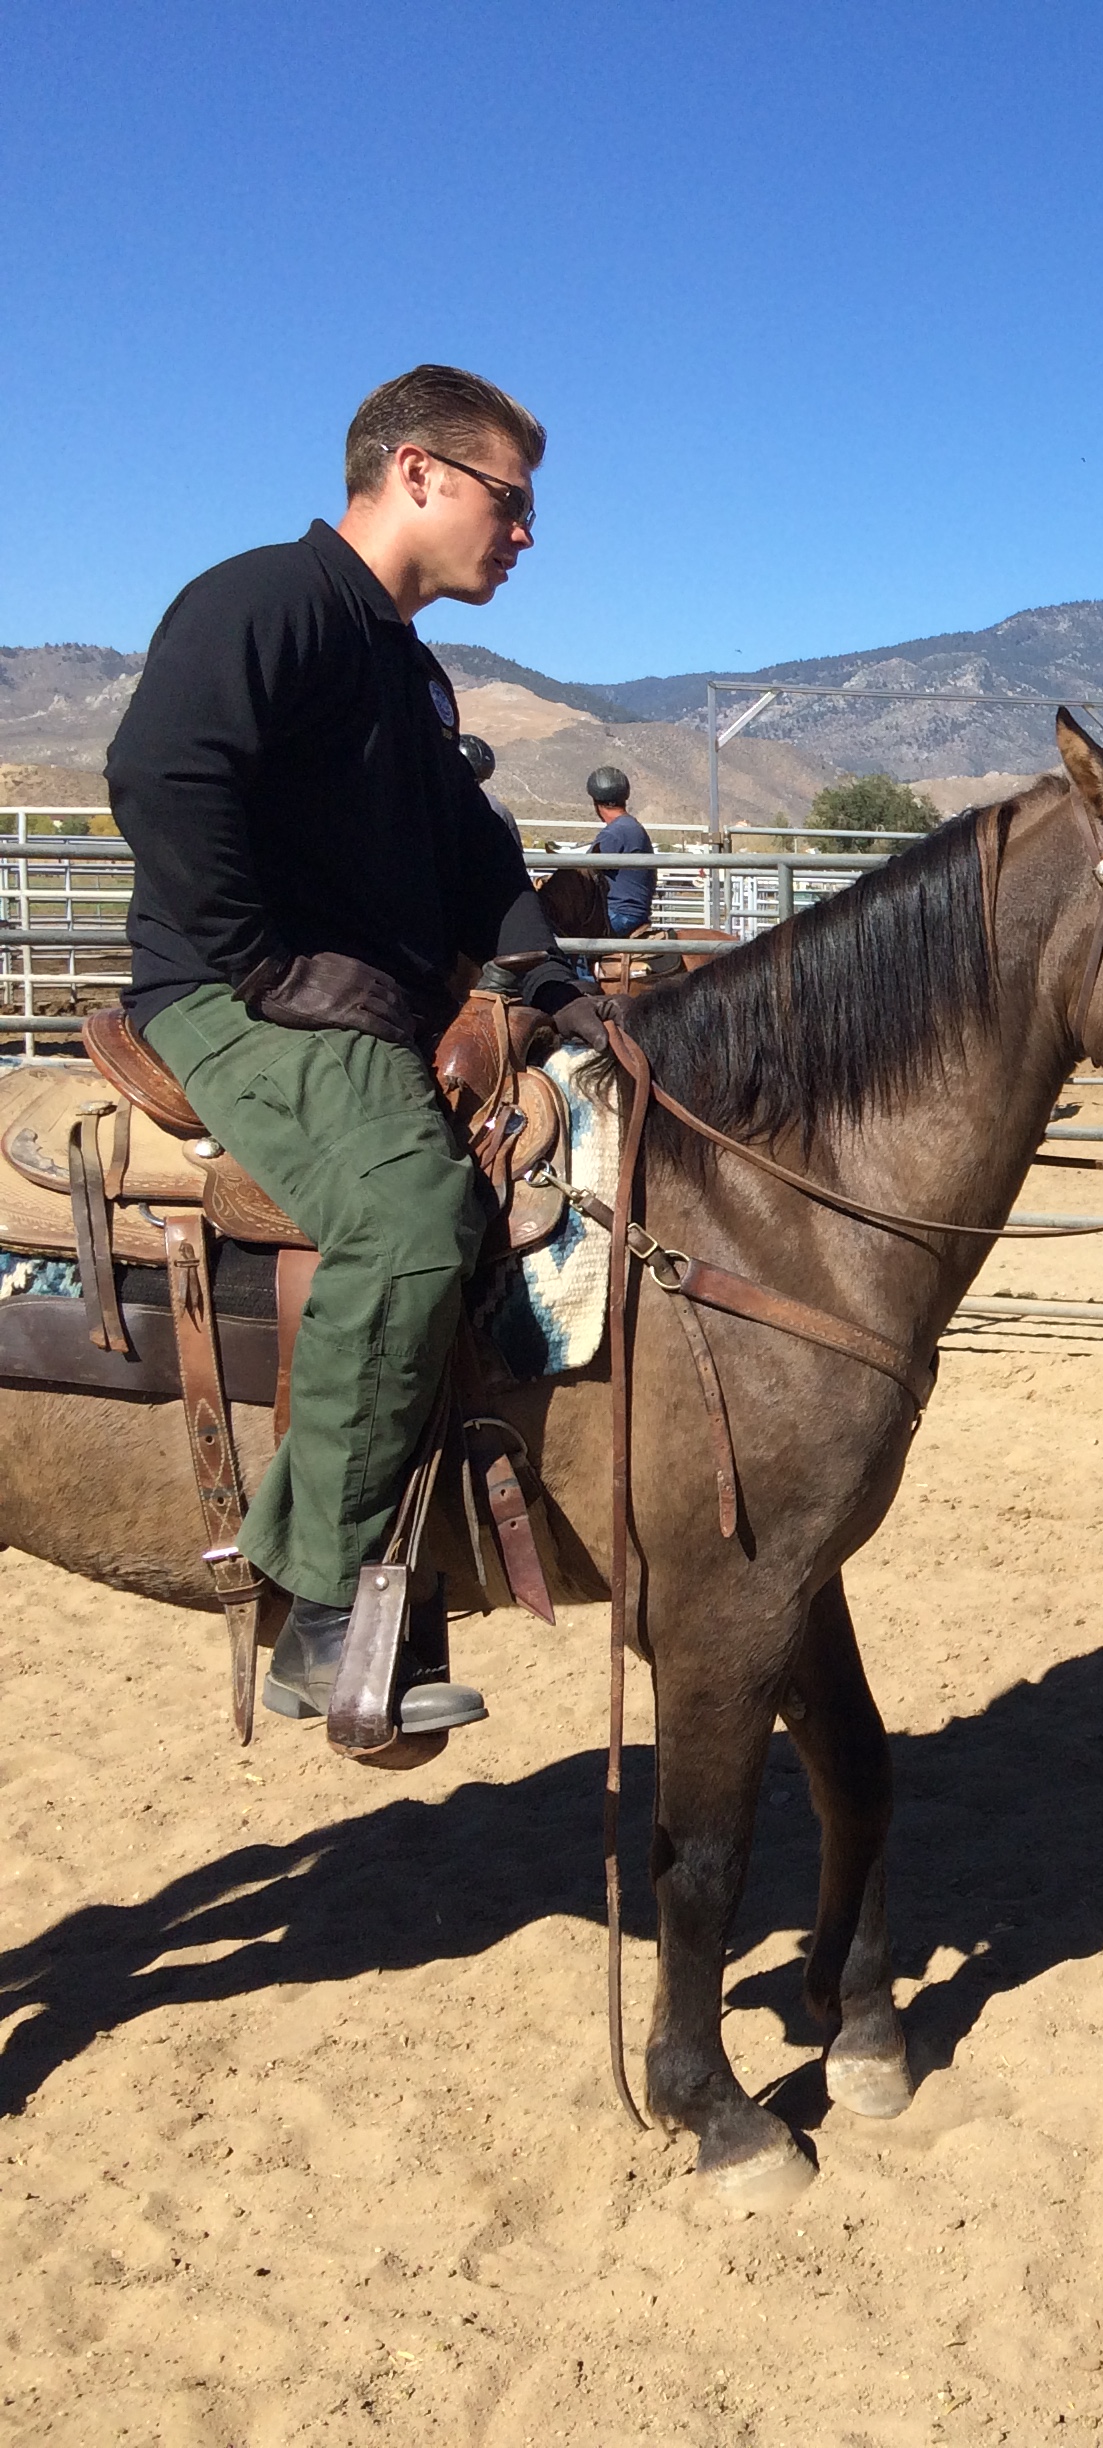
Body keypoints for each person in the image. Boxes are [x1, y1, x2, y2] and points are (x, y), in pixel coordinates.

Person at [107, 363, 619, 1748]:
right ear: (416, 474)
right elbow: (162, 773)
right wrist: (254, 959)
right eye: (509, 502)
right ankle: (325, 1607)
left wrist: (559, 988)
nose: (525, 535)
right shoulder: (265, 602)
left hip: (349, 1000)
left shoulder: (406, 668)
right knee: (408, 1215)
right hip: (238, 999)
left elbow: (475, 862)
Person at [586, 766, 657, 935]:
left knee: (569, 944)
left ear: (596, 803)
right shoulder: (631, 827)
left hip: (619, 914)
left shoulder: (614, 833)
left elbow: (584, 873)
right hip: (633, 912)